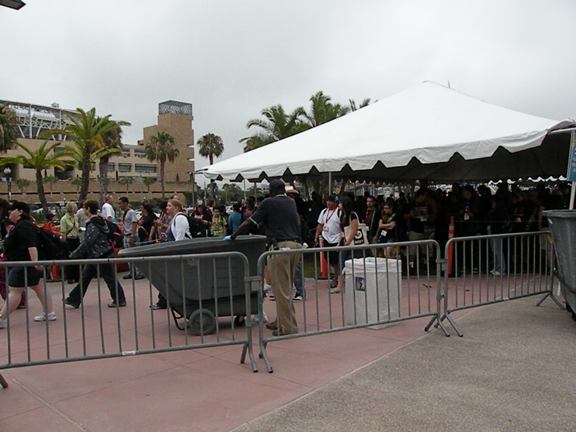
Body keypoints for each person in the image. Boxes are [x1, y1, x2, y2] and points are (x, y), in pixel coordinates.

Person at [226, 179, 301, 336]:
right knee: (285, 286)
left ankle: (288, 328)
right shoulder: (291, 202)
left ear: (271, 191)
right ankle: (281, 320)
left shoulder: (269, 202)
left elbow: (250, 222)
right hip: (295, 246)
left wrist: (234, 235)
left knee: (281, 290)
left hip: (280, 247)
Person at [0, 201, 55, 327]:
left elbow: (31, 245)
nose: (9, 213)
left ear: (20, 212)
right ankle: (49, 312)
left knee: (15, 291)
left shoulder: (23, 226)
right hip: (26, 262)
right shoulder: (26, 224)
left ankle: (1, 317)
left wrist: (34, 262)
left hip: (23, 263)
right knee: (38, 286)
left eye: (12, 210)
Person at [64, 200, 126, 308]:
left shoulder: (93, 224)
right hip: (99, 254)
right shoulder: (100, 221)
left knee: (109, 278)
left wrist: (74, 254)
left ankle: (120, 299)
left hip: (101, 255)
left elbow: (88, 242)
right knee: (85, 277)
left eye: (84, 208)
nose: (83, 210)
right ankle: (74, 299)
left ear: (88, 209)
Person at [150, 199, 190, 310]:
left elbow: (180, 239)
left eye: (169, 205)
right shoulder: (174, 219)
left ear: (176, 208)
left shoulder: (180, 218)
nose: (167, 207)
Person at [314, 195, 343, 294]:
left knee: (336, 261)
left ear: (336, 203)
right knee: (329, 259)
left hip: (336, 239)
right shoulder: (324, 211)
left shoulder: (339, 212)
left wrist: (341, 239)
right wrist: (316, 236)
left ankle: (336, 278)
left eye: (331, 202)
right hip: (326, 238)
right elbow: (320, 224)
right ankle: (334, 276)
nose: (329, 204)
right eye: (327, 202)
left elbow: (342, 226)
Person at [119, 197, 145, 280]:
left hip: (131, 235)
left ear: (125, 203)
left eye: (120, 203)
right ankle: (131, 272)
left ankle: (139, 272)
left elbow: (134, 224)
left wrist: (132, 235)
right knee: (128, 255)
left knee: (134, 254)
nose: (119, 205)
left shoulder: (131, 212)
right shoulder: (125, 213)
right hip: (126, 235)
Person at [60, 202, 80, 283]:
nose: (76, 209)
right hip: (69, 240)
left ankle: (77, 276)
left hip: (76, 239)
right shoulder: (64, 219)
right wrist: (64, 244)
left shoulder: (75, 217)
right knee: (69, 258)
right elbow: (63, 232)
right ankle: (70, 277)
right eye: (75, 207)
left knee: (77, 257)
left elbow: (76, 228)